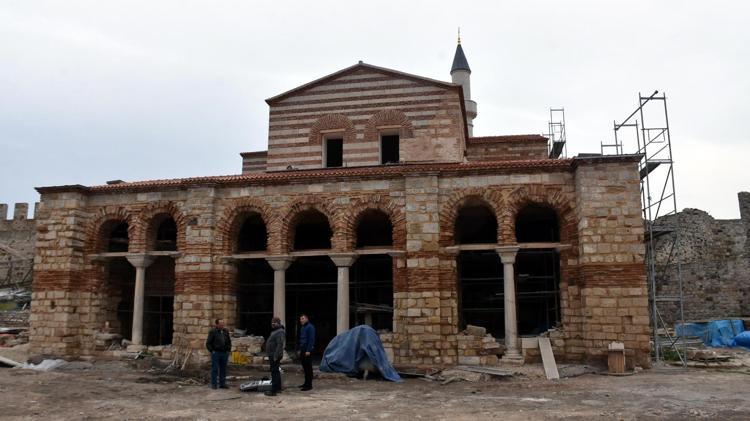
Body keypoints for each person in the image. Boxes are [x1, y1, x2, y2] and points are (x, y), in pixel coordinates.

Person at [205, 318, 231, 390]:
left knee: (223, 369)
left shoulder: (226, 331)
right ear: (217, 324)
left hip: (224, 353)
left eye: (223, 323)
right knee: (215, 369)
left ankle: (222, 384)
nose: (222, 325)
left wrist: (228, 350)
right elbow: (208, 343)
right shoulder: (212, 332)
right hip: (216, 353)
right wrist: (212, 351)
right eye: (220, 324)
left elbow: (229, 341)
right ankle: (214, 384)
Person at [265, 317, 285, 396]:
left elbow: (279, 345)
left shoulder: (280, 331)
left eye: (274, 322)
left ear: (278, 323)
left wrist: (276, 356)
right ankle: (278, 388)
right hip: (272, 354)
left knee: (274, 372)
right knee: (276, 371)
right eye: (272, 322)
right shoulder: (275, 331)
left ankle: (274, 390)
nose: (273, 324)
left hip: (274, 354)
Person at [298, 314, 316, 391]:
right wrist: (300, 349)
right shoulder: (303, 327)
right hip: (303, 349)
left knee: (308, 368)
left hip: (307, 350)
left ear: (307, 319)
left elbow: (311, 339)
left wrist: (308, 350)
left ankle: (309, 385)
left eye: (303, 318)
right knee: (305, 367)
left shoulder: (310, 327)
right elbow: (302, 339)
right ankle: (305, 383)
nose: (301, 320)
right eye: (300, 319)